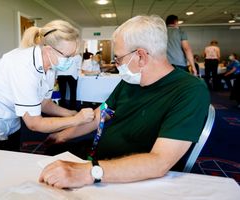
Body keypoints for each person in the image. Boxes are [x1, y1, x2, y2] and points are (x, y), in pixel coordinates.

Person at [38, 15, 210, 188]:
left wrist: (89, 172)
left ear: (141, 56)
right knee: (51, 154)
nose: (117, 63)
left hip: (127, 175)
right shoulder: (131, 81)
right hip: (99, 158)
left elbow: (159, 162)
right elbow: (100, 115)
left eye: (118, 58)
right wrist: (62, 135)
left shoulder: (190, 91)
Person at [0, 20, 95, 152]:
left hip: (9, 112)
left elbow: (44, 103)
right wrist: (76, 120)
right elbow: (34, 124)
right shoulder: (23, 65)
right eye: (68, 56)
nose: (71, 60)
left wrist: (70, 113)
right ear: (49, 50)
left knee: (13, 155)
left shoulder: (50, 65)